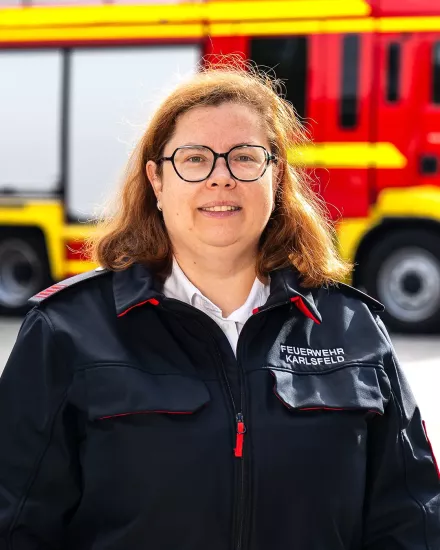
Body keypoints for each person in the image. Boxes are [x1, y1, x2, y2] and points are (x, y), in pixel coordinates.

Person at [0, 62, 439, 550]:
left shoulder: (353, 328)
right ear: (157, 181)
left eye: (244, 158)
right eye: (194, 159)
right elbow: (16, 523)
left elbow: (412, 520)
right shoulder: (66, 330)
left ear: (276, 176)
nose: (221, 178)